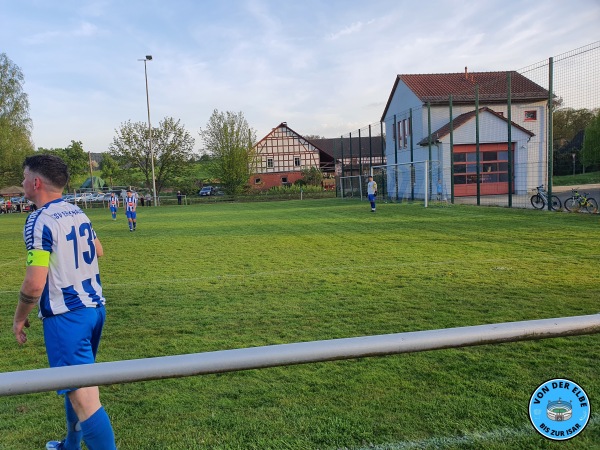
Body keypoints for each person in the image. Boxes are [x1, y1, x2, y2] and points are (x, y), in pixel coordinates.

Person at [12, 154, 116, 450]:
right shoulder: (77, 212)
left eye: (23, 178)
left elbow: (34, 283)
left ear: (35, 182)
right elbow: (99, 250)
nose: (21, 184)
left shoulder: (38, 220)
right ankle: (70, 445)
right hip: (94, 310)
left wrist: (19, 317)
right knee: (76, 386)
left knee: (86, 400)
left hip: (66, 316)